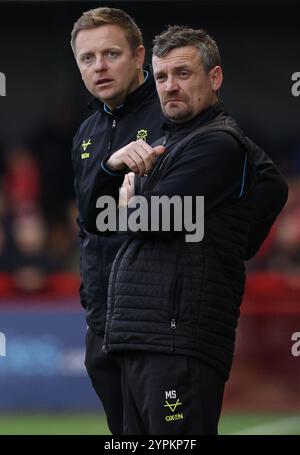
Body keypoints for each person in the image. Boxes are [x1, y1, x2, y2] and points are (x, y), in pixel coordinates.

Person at [84, 26, 288, 434]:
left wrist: (133, 202)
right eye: (161, 77)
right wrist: (112, 169)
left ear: (214, 79)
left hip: (178, 339)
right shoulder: (170, 143)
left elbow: (152, 220)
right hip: (143, 336)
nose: (170, 87)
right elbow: (98, 218)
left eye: (183, 74)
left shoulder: (217, 144)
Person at [70, 7, 164, 434]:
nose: (99, 67)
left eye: (111, 53)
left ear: (139, 55)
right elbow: (87, 224)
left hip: (157, 319)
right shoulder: (86, 132)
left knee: (171, 434)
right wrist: (90, 298)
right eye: (87, 59)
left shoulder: (173, 115)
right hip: (104, 321)